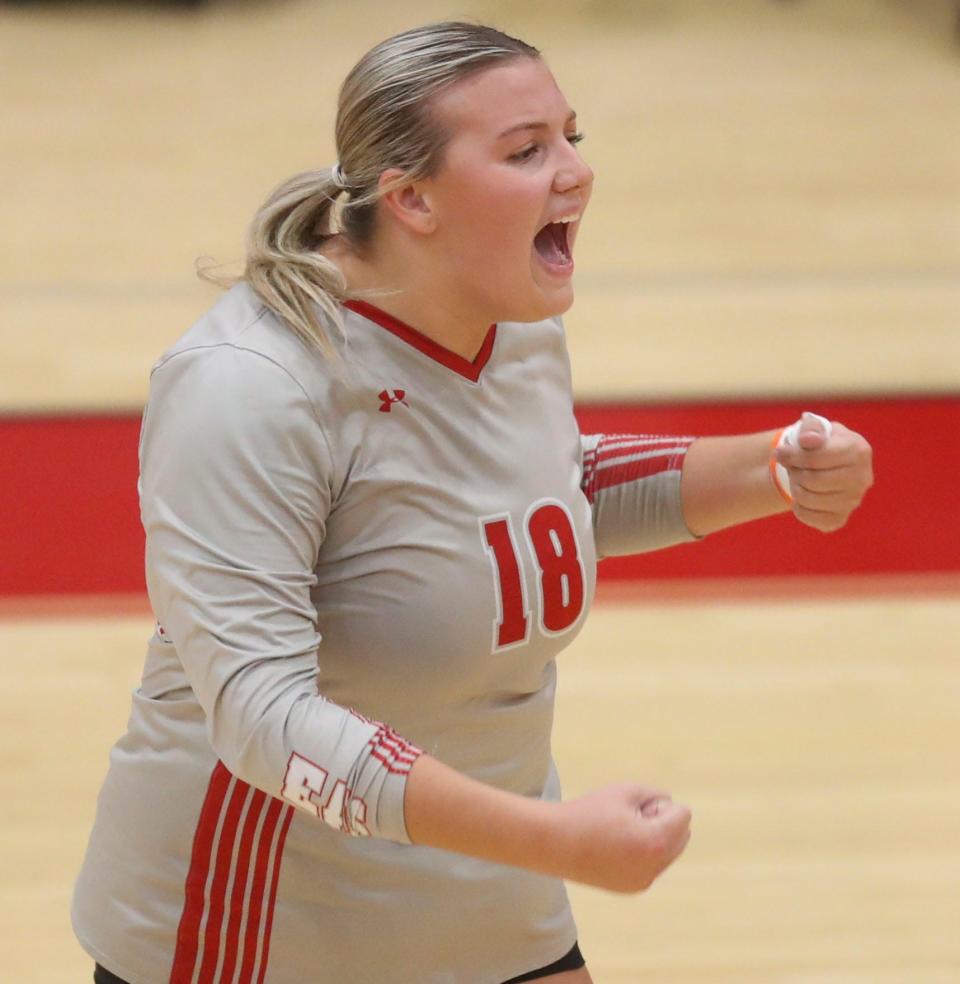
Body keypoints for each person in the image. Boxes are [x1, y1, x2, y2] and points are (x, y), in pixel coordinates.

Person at [72, 21, 873, 984]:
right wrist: (553, 840)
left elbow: (544, 494)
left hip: (490, 896)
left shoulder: (510, 316)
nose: (575, 172)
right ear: (411, 198)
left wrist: (773, 470)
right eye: (528, 151)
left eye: (573, 137)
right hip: (265, 930)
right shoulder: (247, 385)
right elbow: (261, 718)